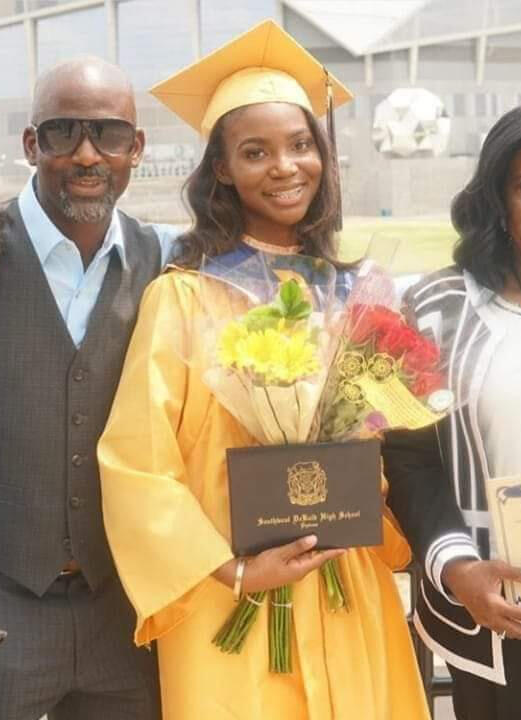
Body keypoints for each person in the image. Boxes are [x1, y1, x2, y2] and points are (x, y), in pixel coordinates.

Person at [97, 21, 430, 720]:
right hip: (228, 597)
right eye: (256, 152)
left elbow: (392, 440)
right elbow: (138, 464)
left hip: (344, 581)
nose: (285, 166)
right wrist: (236, 569)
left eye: (301, 145)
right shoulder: (184, 298)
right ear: (221, 169)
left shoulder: (357, 297)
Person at [0, 56, 178, 720]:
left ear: (137, 148)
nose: (87, 154)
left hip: (123, 609)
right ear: (31, 144)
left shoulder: (165, 261)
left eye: (109, 133)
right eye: (62, 132)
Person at [383, 99, 521, 719]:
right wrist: (456, 566)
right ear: (498, 196)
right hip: (488, 602)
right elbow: (409, 460)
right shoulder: (438, 308)